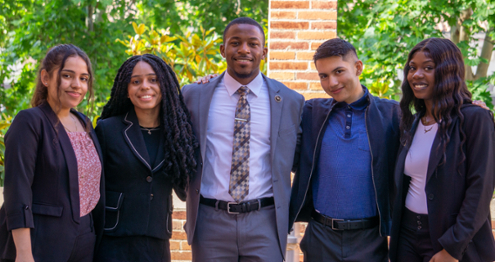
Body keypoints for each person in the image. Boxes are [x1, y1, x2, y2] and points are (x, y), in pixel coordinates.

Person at [182, 17, 304, 262]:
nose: (244, 50)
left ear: (264, 51)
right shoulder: (193, 95)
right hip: (210, 220)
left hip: (265, 222)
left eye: (253, 43)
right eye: (235, 43)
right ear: (223, 50)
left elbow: (298, 158)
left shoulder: (290, 101)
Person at [289, 38, 401, 261]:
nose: (332, 82)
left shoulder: (392, 115)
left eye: (339, 71)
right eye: (323, 76)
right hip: (320, 237)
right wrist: (217, 84)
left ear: (358, 67)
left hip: (370, 239)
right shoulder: (311, 113)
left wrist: (467, 109)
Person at [389, 38, 495, 262]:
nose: (416, 75)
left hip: (449, 239)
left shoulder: (474, 118)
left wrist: (453, 247)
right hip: (407, 236)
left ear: (448, 71)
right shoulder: (412, 122)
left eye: (428, 68)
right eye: (412, 68)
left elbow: (480, 189)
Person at [0, 44, 105, 262]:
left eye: (84, 78)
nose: (77, 85)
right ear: (46, 78)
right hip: (41, 244)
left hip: (85, 242)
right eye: (67, 76)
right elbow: (17, 191)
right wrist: (24, 253)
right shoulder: (30, 121)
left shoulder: (84, 123)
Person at [94, 54, 197, 262]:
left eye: (153, 79)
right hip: (113, 241)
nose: (144, 86)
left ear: (164, 85)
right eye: (135, 81)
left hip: (156, 243)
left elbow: (185, 188)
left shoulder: (177, 134)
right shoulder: (108, 129)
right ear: (126, 90)